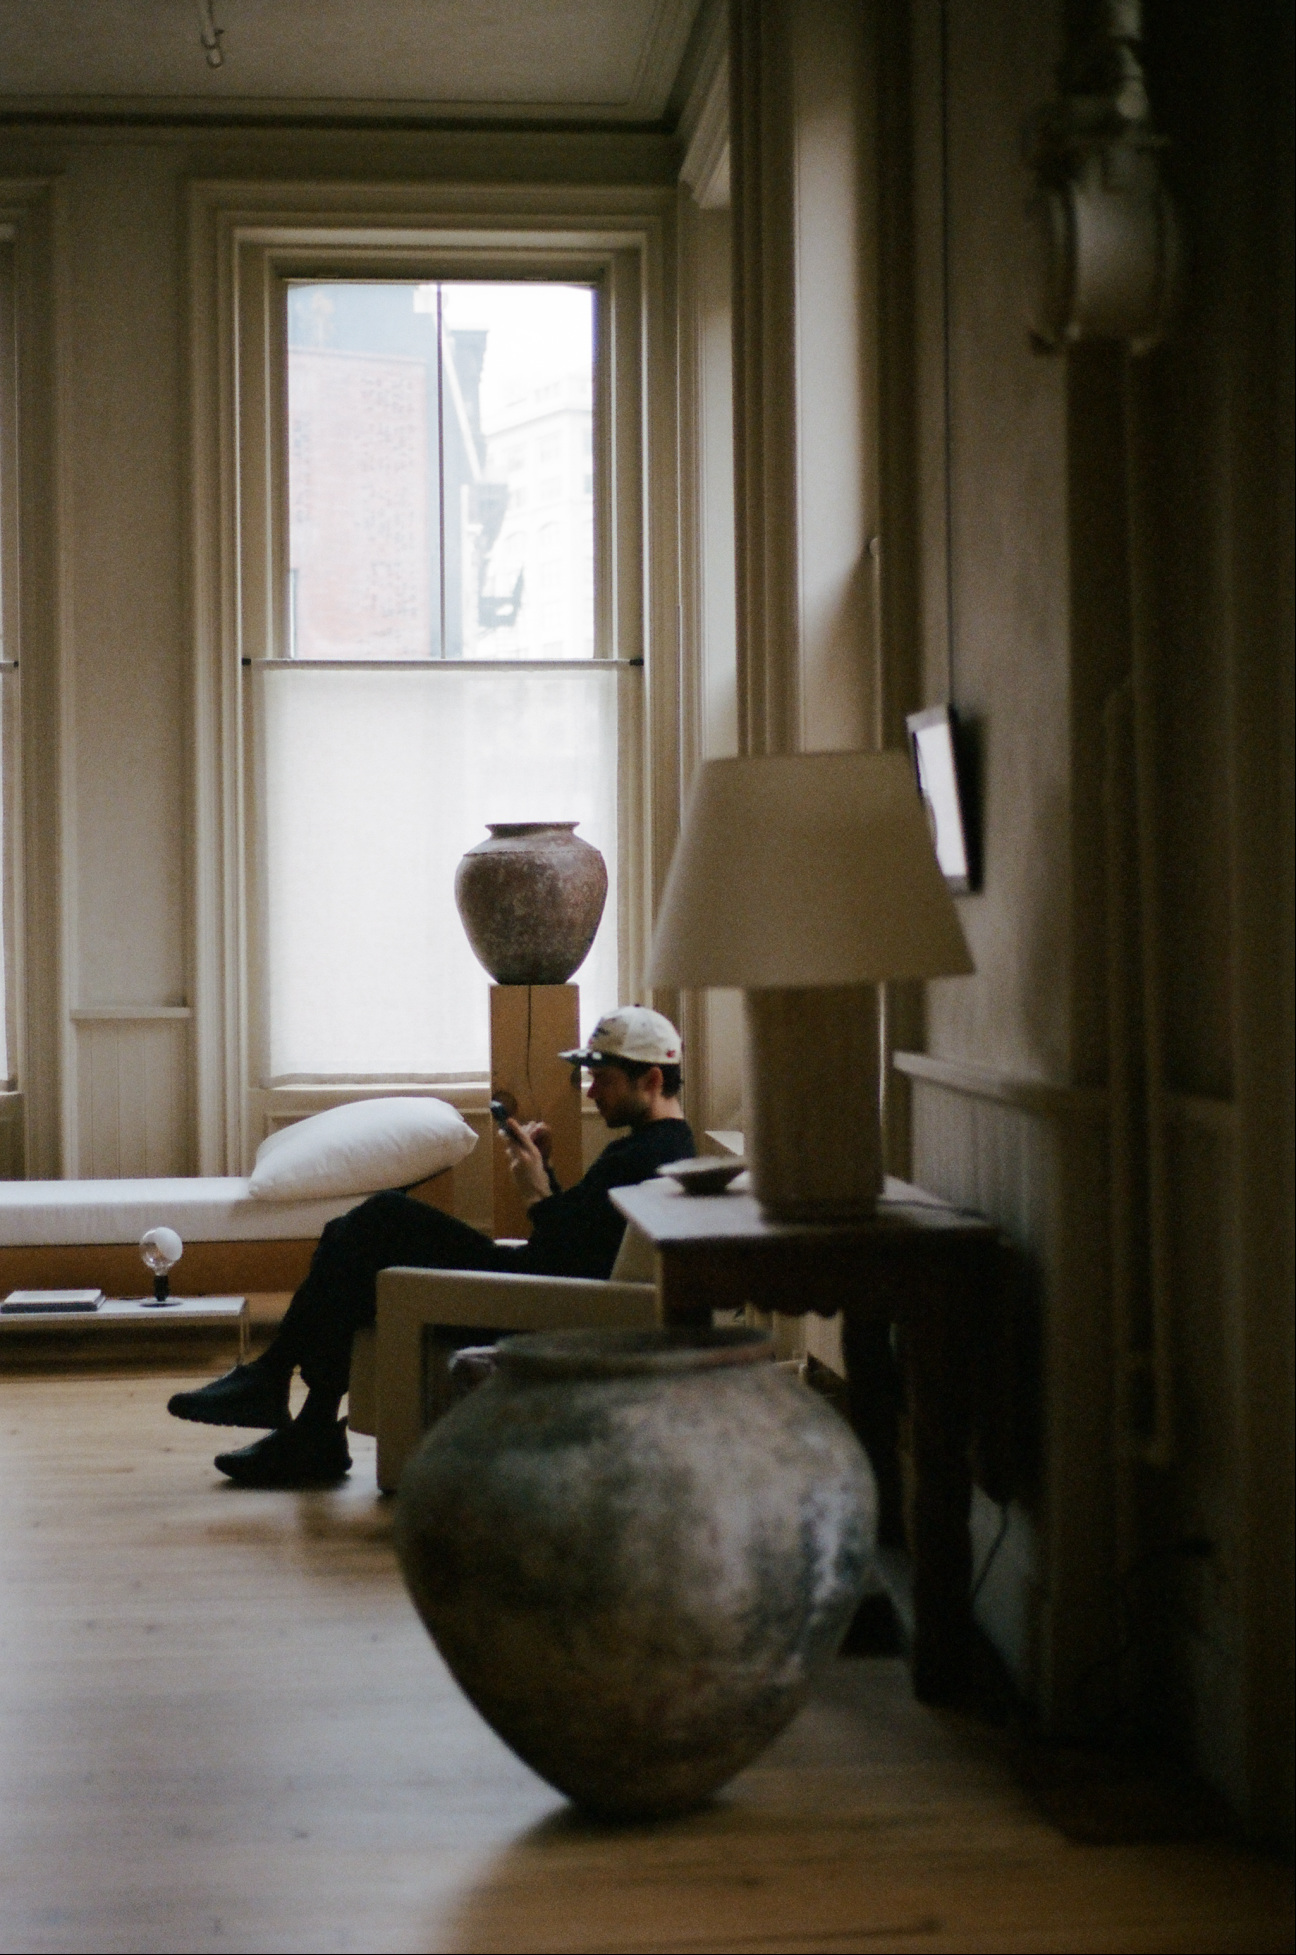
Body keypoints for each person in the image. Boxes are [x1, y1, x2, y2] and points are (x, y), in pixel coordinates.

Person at [167, 1007, 693, 1488]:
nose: (590, 1092)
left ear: (649, 1080)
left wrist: (535, 1187)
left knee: (378, 1220)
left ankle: (286, 1395)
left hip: (545, 1301)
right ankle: (305, 1418)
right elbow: (580, 1242)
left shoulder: (644, 1156)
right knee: (353, 1239)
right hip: (546, 1283)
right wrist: (546, 1174)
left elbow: (562, 1255)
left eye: (602, 1079)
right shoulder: (660, 1148)